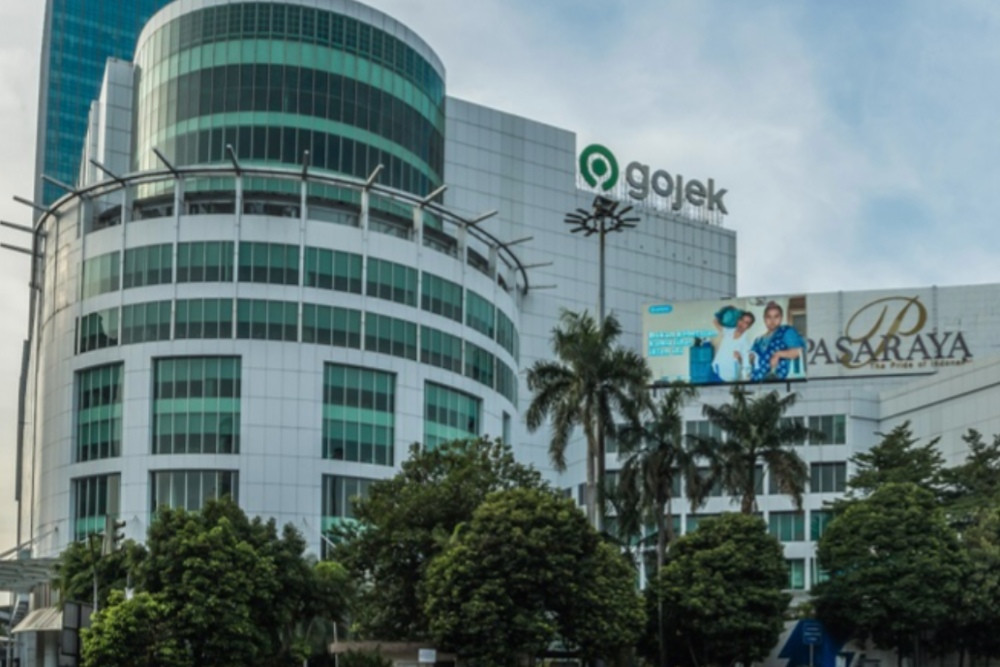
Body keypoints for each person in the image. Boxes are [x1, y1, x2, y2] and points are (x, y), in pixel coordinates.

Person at [749, 301, 805, 381]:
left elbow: (798, 351)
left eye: (776, 317)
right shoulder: (758, 340)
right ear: (764, 319)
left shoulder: (786, 331)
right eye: (769, 317)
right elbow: (751, 359)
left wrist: (778, 354)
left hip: (778, 381)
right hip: (756, 382)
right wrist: (750, 358)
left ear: (781, 318)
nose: (772, 321)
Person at [712, 308, 754, 382]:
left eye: (746, 323)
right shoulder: (728, 331)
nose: (742, 324)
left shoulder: (746, 343)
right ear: (738, 320)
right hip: (715, 372)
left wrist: (740, 358)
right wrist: (723, 312)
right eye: (741, 320)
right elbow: (715, 322)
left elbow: (746, 365)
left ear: (748, 327)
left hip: (728, 379)